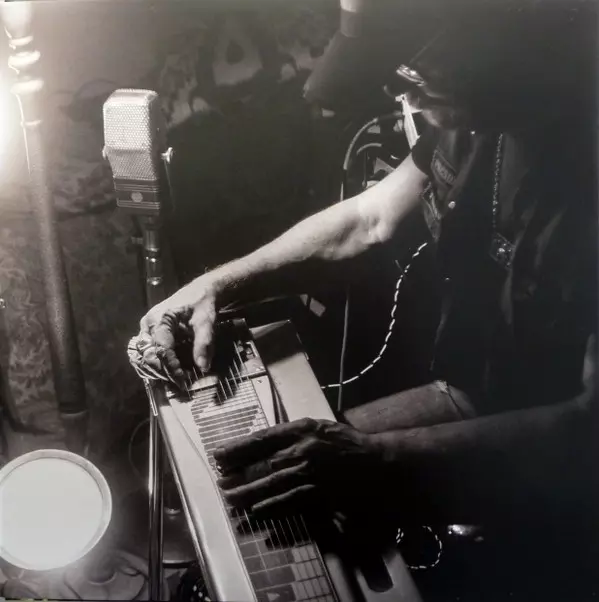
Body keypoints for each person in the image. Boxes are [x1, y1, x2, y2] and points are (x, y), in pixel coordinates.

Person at [140, 6, 596, 538]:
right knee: (255, 487)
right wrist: (215, 285)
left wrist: (377, 457)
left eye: (411, 73)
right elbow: (369, 219)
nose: (400, 96)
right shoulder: (480, 111)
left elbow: (587, 428)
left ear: (489, 37)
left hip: (564, 472)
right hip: (469, 394)